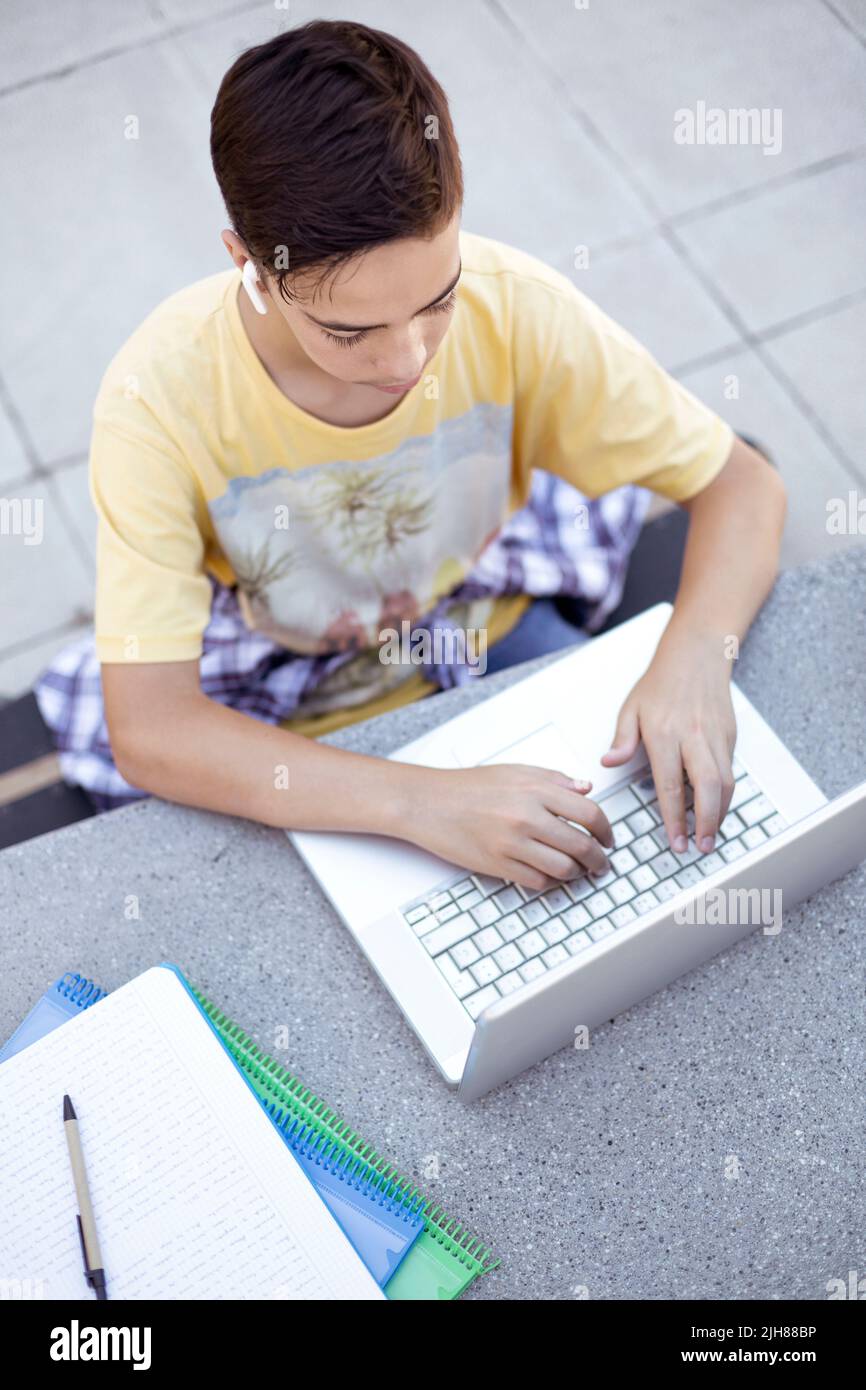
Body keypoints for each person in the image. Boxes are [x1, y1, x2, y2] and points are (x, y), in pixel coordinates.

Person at [33, 20, 785, 889]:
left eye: (438, 300)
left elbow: (744, 486)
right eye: (348, 330)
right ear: (248, 264)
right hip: (287, 678)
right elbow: (155, 729)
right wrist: (422, 806)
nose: (408, 362)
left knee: (638, 855)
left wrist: (696, 658)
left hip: (476, 613)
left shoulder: (520, 308)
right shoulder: (155, 401)